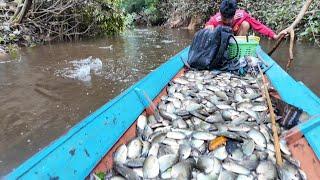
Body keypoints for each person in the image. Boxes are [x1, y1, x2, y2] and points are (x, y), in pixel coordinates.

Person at [205, 0, 287, 40]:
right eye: (224, 19)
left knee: (245, 24)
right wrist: (208, 29)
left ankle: (237, 47)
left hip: (236, 38)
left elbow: (259, 26)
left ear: (234, 14)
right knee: (209, 29)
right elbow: (207, 28)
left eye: (229, 19)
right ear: (220, 13)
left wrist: (275, 36)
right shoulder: (215, 19)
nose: (226, 22)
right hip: (222, 38)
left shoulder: (242, 15)